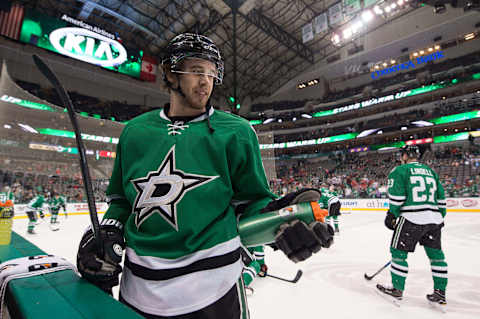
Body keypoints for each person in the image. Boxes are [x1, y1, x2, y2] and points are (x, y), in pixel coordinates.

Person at [76, 33, 334, 319]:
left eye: (211, 73)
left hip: (215, 288)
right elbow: (123, 202)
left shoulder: (238, 132)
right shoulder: (134, 133)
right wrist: (107, 229)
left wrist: (280, 217)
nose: (205, 81)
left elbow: (253, 202)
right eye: (196, 71)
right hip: (139, 288)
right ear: (170, 74)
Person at [377, 145, 447, 306]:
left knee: (398, 253)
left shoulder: (399, 171)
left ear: (406, 156)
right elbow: (441, 199)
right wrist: (438, 217)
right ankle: (440, 292)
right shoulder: (431, 172)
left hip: (411, 218)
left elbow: (397, 198)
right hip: (434, 220)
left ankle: (397, 289)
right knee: (437, 257)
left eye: (402, 155)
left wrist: (392, 214)